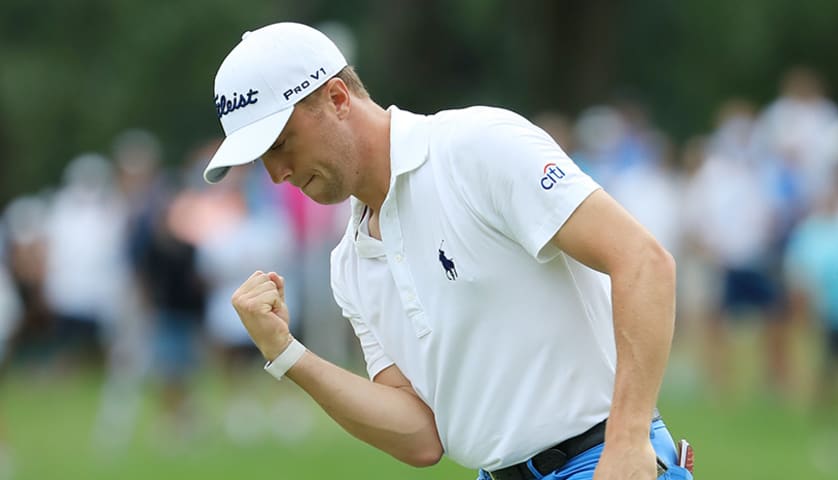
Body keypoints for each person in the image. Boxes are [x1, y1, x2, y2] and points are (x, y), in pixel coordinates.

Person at [204, 23, 692, 480]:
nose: (277, 174)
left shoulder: (475, 147)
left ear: (336, 98)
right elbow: (421, 437)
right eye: (263, 160)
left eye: (283, 144)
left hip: (599, 458)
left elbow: (642, 261)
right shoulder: (348, 264)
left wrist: (627, 443)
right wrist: (287, 354)